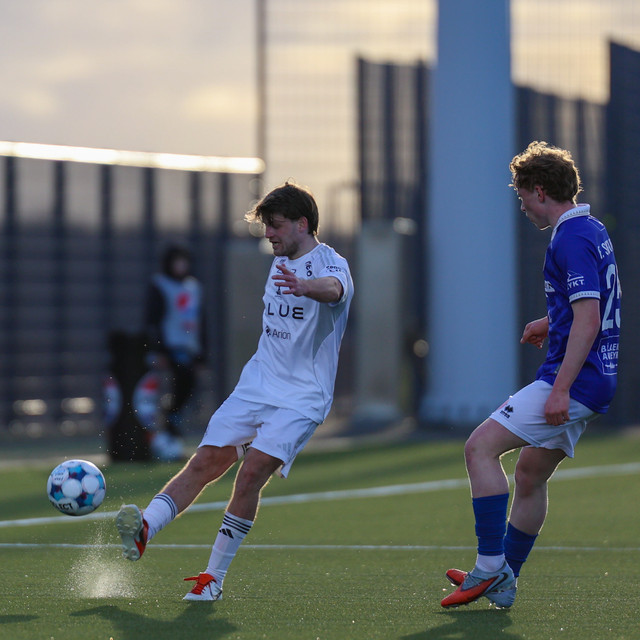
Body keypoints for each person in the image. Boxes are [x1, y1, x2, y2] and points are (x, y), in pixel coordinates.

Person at [116, 181, 354, 601]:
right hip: (257, 385)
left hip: (302, 397)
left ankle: (213, 579)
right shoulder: (278, 261)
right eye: (266, 227)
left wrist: (306, 287)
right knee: (204, 462)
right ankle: (144, 529)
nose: (269, 234)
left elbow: (334, 290)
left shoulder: (330, 263)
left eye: (275, 225)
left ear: (302, 224)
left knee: (250, 474)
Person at [440, 141, 621, 609]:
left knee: (479, 448)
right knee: (529, 474)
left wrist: (560, 389)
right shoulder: (591, 228)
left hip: (575, 381)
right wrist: (551, 320)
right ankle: (506, 581)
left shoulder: (570, 237)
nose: (522, 207)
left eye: (523, 197)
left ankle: (488, 567)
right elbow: (587, 305)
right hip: (596, 378)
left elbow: (589, 320)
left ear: (540, 191)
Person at [145, 244, 206, 460]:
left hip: (189, 347)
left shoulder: (194, 287)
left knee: (188, 386)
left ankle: (172, 421)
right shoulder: (160, 285)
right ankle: (165, 429)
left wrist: (202, 354)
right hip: (170, 347)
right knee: (172, 385)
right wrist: (158, 349)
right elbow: (153, 320)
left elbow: (201, 321)